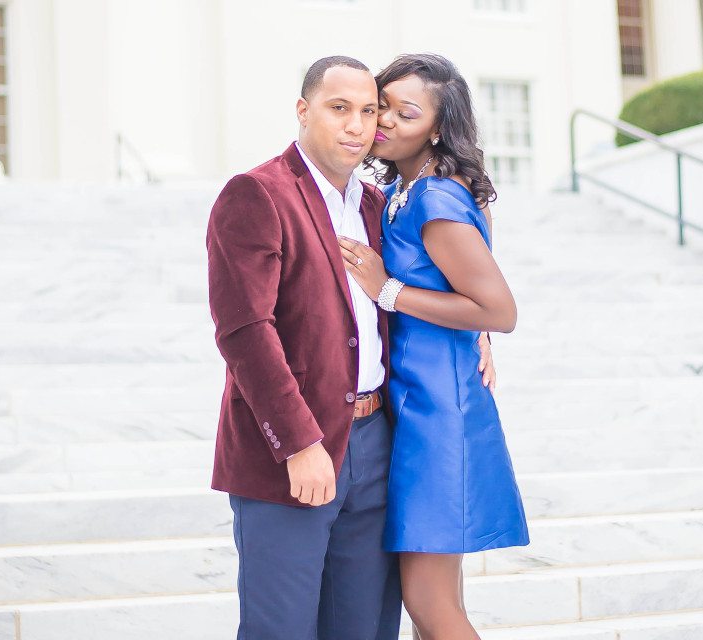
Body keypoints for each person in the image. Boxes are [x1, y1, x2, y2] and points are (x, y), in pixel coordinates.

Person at [206, 54, 496, 640]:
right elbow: (245, 331)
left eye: (369, 111)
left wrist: (480, 329)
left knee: (366, 629)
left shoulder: (375, 204)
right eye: (339, 108)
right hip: (294, 448)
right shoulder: (257, 194)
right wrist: (299, 443)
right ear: (303, 109)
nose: (358, 126)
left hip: (376, 444)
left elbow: (436, 279)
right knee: (281, 631)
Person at [338, 53, 530, 640]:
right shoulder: (404, 189)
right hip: (416, 405)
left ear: (439, 129)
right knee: (437, 604)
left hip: (440, 416)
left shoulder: (435, 198)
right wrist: (473, 331)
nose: (385, 121)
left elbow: (500, 309)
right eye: (382, 106)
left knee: (428, 602)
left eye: (406, 113)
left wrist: (388, 290)